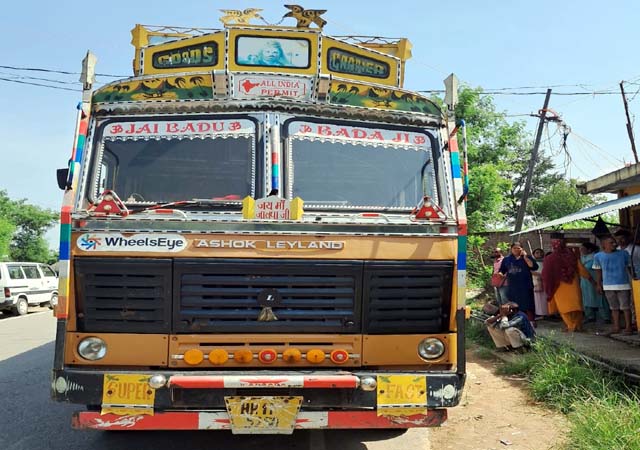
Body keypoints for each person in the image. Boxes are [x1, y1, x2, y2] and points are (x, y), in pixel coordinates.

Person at [541, 235, 588, 333]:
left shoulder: (550, 258)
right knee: (576, 305)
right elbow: (581, 269)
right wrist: (591, 279)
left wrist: (547, 285)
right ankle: (577, 325)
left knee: (564, 307)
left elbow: (546, 274)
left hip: (558, 285)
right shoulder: (571, 256)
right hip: (573, 283)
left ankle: (571, 325)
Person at [593, 235, 634, 335]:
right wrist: (598, 284)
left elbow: (630, 268)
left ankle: (628, 327)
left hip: (623, 285)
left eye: (614, 242)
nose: (614, 244)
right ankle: (616, 327)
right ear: (604, 245)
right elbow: (598, 271)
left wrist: (633, 280)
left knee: (625, 307)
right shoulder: (598, 256)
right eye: (611, 243)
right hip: (608, 286)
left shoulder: (624, 254)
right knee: (613, 308)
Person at [498, 242, 538, 323]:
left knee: (528, 304)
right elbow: (502, 270)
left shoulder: (527, 257)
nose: (516, 250)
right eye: (514, 248)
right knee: (514, 304)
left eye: (518, 248)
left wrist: (525, 257)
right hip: (513, 286)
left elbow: (533, 267)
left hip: (526, 285)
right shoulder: (507, 259)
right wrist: (500, 274)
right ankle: (517, 321)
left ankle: (531, 322)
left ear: (522, 249)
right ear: (511, 249)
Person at [580, 242, 611, 327]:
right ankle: (590, 316)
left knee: (600, 299)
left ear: (589, 250)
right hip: (585, 283)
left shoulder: (595, 257)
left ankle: (606, 317)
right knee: (586, 299)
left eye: (583, 248)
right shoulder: (582, 258)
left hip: (595, 281)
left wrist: (598, 282)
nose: (581, 250)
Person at [531, 248, 548, 319]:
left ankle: (546, 313)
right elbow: (530, 271)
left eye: (541, 252)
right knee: (538, 298)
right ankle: (540, 314)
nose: (539, 254)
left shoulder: (546, 261)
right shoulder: (532, 262)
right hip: (536, 281)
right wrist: (538, 274)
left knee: (545, 297)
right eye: (537, 253)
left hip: (545, 281)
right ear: (534, 254)